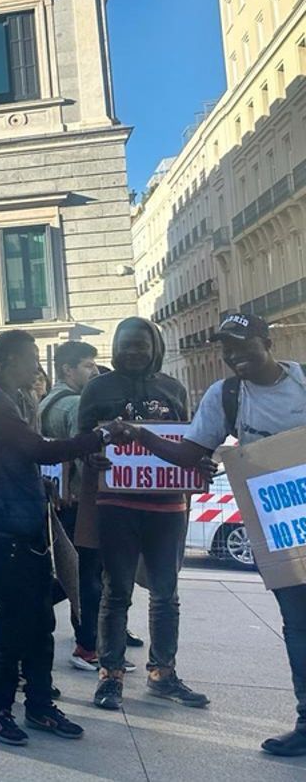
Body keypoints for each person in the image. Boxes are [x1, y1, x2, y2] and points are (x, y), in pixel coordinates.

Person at [121, 312, 306, 756]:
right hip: (282, 529)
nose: (235, 356)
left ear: (267, 341)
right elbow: (190, 453)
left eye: (244, 345)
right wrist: (141, 436)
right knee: (299, 626)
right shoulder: (226, 396)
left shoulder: (303, 384)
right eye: (228, 349)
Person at [0, 329, 126, 747]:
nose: (36, 366)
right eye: (29, 357)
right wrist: (101, 436)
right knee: (13, 626)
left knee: (40, 622)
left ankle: (38, 704)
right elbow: (39, 449)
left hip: (24, 524)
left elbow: (24, 455)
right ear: (5, 361)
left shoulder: (7, 398)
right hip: (7, 529)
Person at [76, 318, 209, 712]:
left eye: (141, 345)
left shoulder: (173, 388)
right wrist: (91, 455)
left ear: (155, 347)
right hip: (117, 504)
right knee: (115, 592)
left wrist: (201, 463)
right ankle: (110, 674)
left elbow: (189, 440)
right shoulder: (97, 388)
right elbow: (82, 439)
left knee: (166, 594)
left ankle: (163, 673)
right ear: (115, 347)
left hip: (167, 506)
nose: (134, 352)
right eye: (127, 345)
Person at [36, 341, 110, 672]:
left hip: (56, 500)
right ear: (67, 369)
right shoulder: (75, 405)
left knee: (73, 571)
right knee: (86, 576)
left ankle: (28, 609)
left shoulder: (45, 403)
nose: (94, 371)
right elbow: (82, 457)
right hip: (81, 502)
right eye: (88, 365)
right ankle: (87, 646)